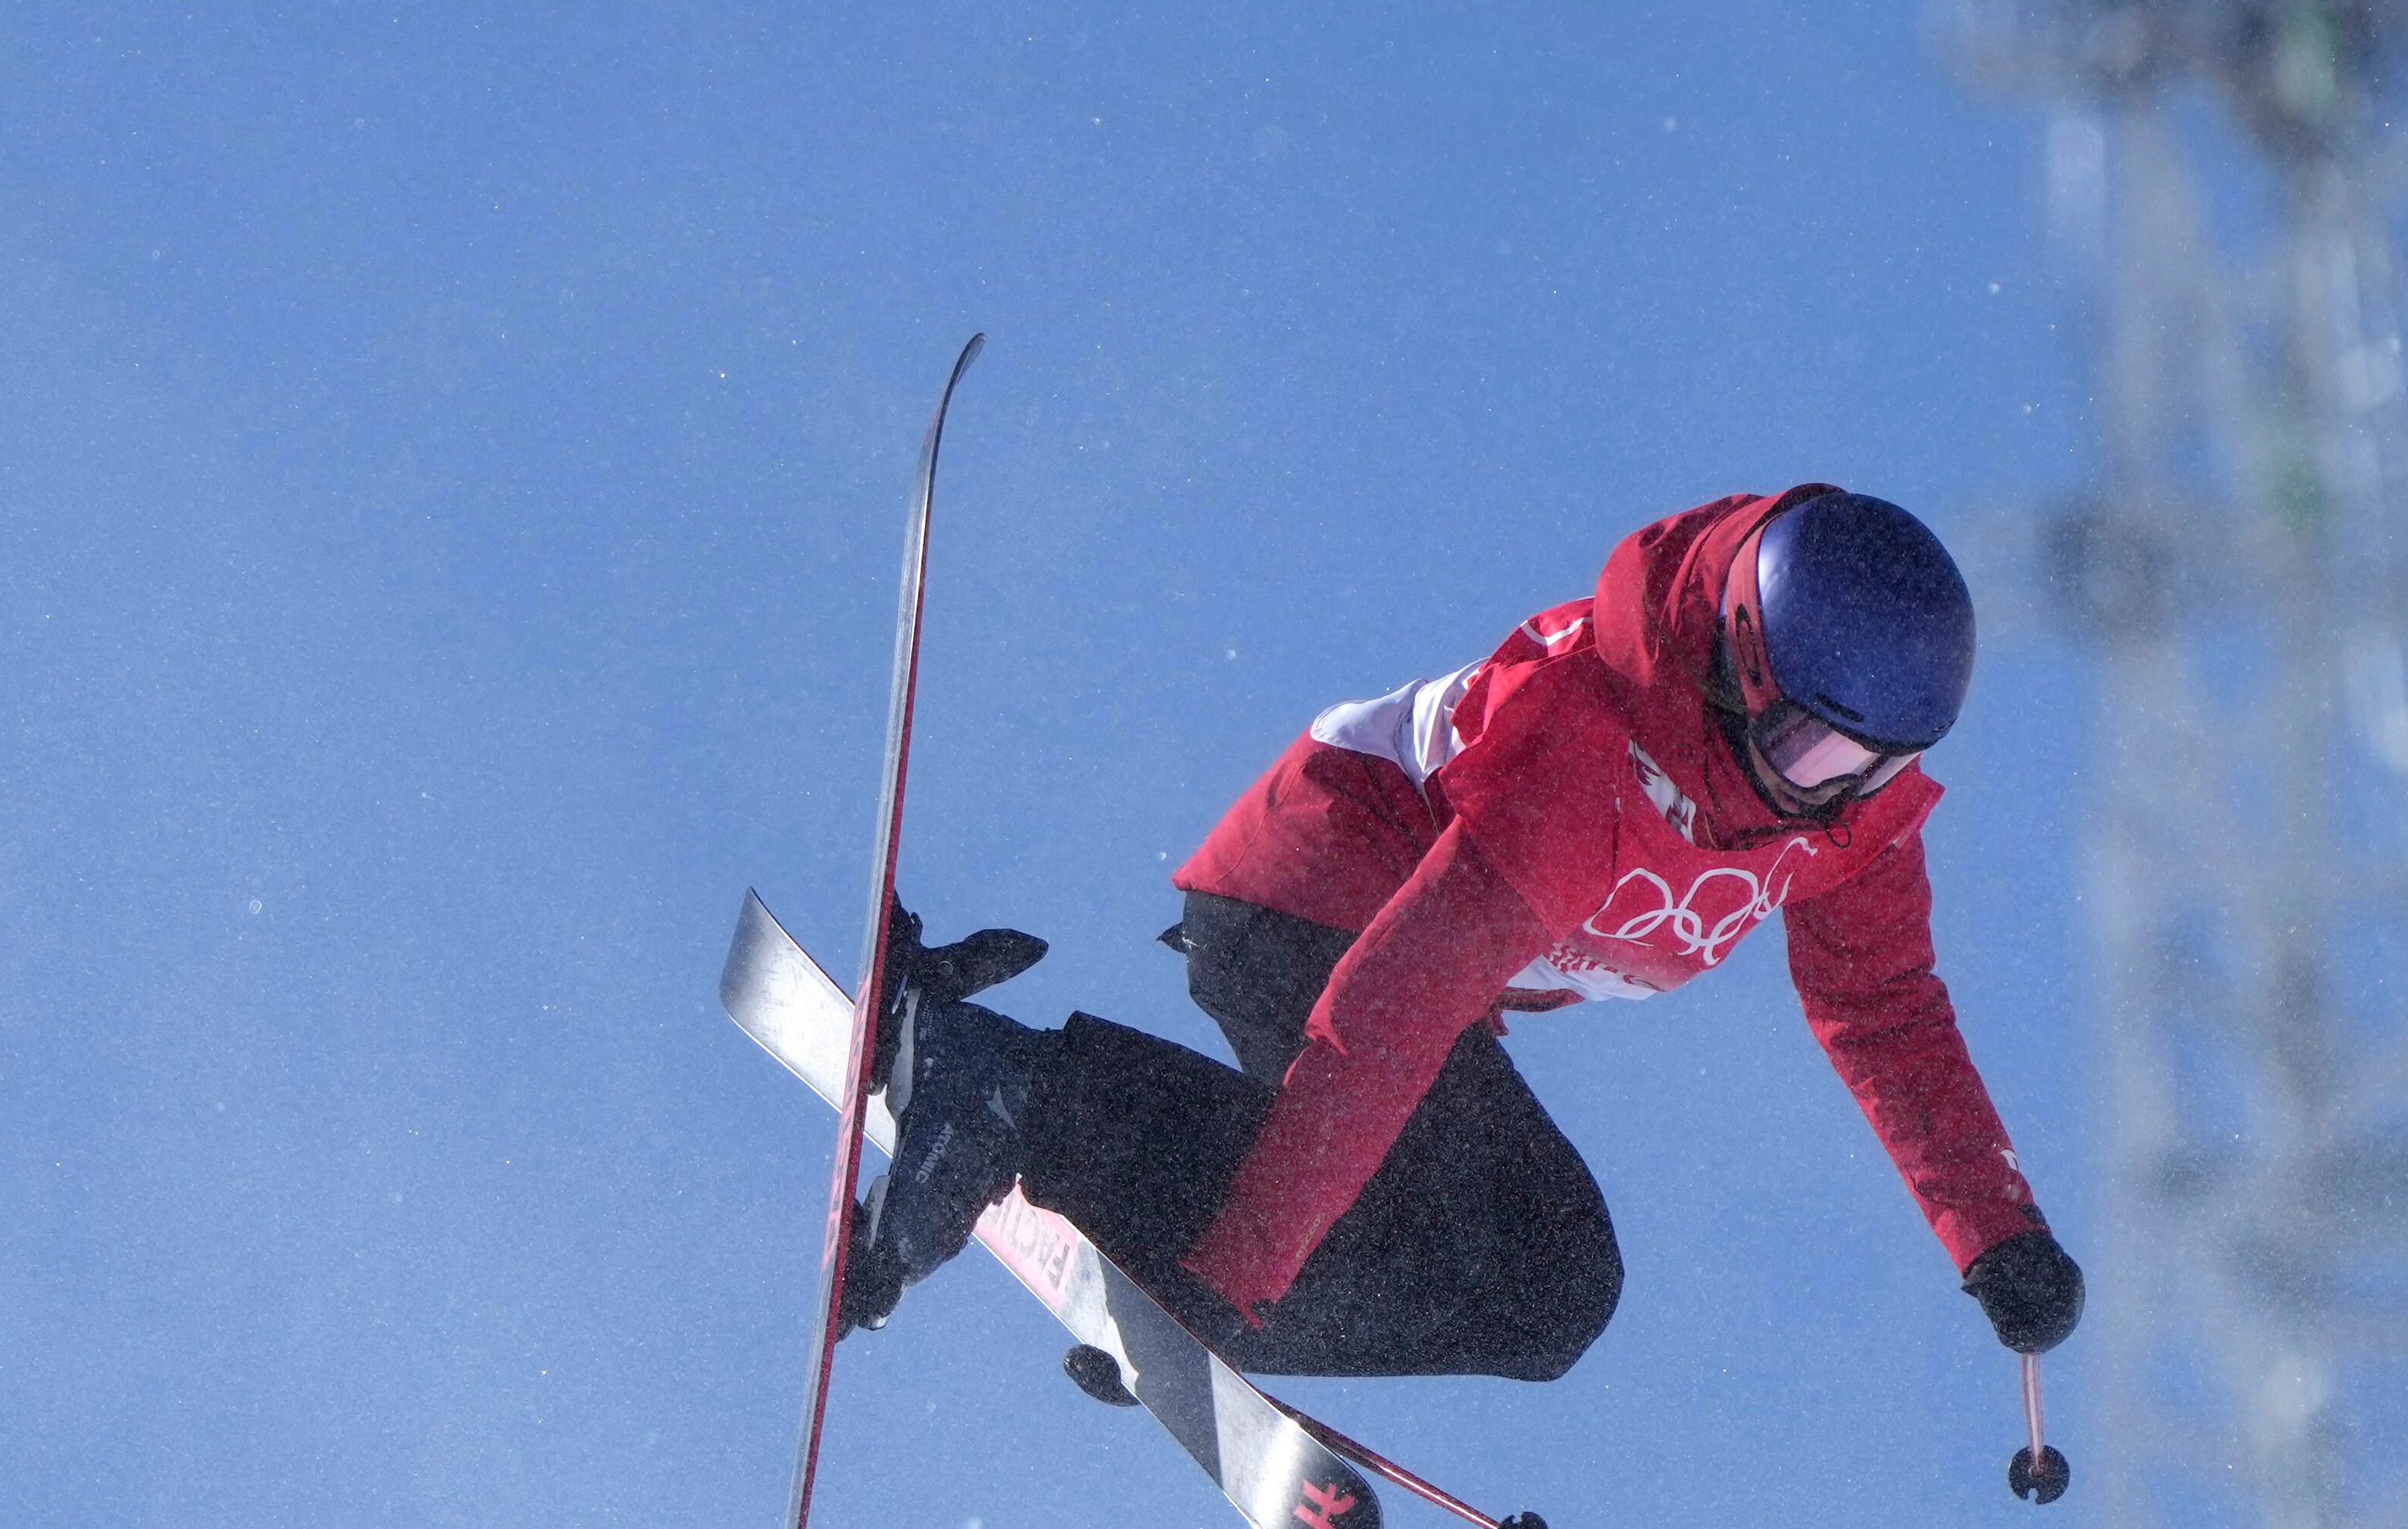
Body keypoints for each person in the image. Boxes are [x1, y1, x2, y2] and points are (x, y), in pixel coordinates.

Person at [837, 484, 2085, 1388]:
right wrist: (1226, 1288)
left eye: (1871, 769)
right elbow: (1394, 1010)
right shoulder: (1589, 746)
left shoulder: (1845, 811)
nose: (1822, 792)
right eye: (1811, 745)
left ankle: (1059, 1121)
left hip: (1399, 969)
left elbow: (1884, 1007)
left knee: (1536, 1288)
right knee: (1534, 1266)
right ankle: (1020, 1099)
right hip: (1314, 892)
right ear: (1743, 658)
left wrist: (1997, 1228)